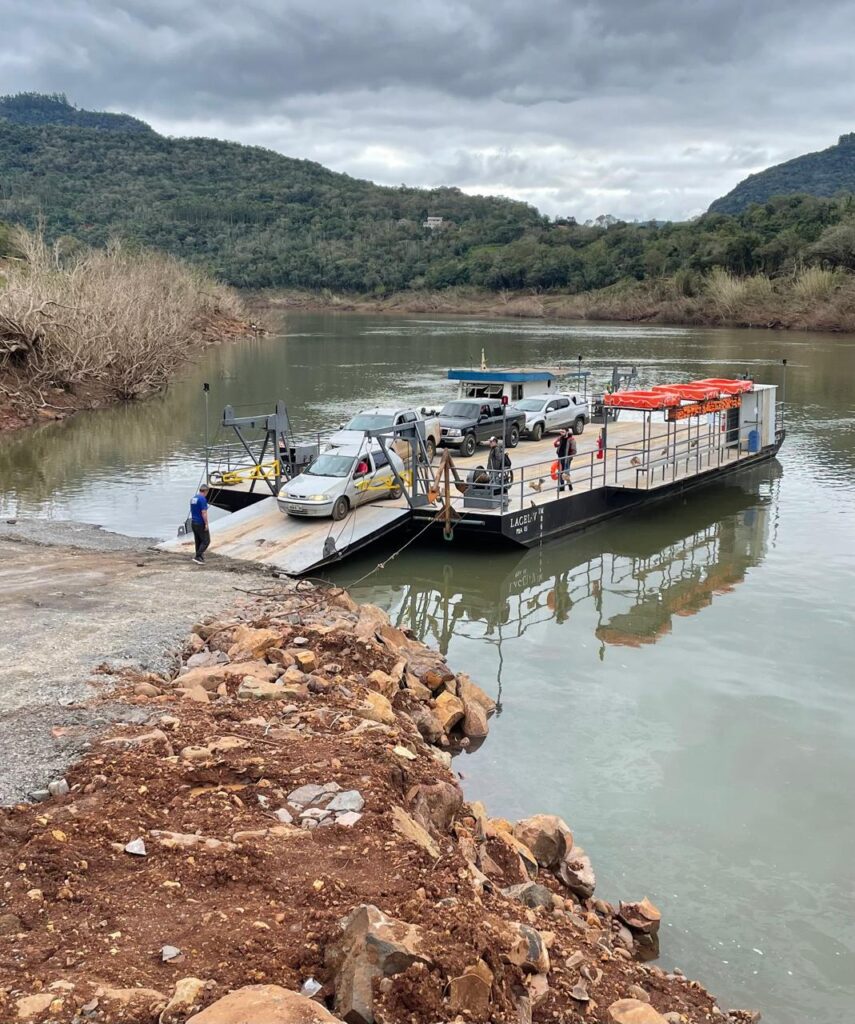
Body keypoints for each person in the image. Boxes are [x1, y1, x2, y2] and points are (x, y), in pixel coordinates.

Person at [189, 483, 211, 564]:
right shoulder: (202, 499)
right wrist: (206, 524)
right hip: (200, 523)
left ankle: (199, 557)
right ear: (206, 491)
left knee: (198, 540)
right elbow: (204, 512)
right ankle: (197, 556)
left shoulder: (193, 499)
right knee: (206, 541)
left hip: (193, 522)